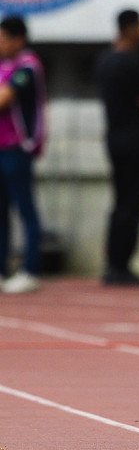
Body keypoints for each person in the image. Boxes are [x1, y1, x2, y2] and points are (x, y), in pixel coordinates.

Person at [96, 9, 139, 285]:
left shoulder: (105, 61)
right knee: (132, 204)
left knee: (119, 202)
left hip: (113, 139)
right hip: (134, 141)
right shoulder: (131, 63)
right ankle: (121, 266)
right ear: (130, 28)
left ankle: (113, 263)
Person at [0, 16, 47, 295]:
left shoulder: (27, 66)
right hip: (1, 148)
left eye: (4, 39)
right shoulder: (5, 66)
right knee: (1, 212)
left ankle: (31, 269)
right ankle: (2, 269)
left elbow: (5, 99)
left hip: (18, 148)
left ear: (19, 40)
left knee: (25, 209)